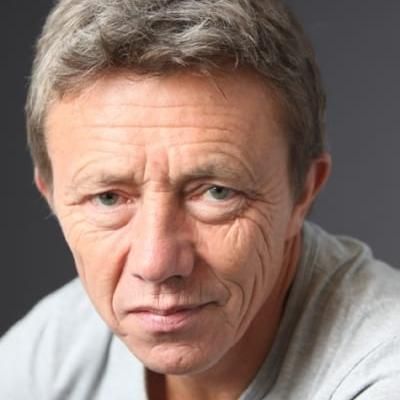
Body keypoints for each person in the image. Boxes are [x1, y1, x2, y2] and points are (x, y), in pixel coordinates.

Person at [1, 0, 399, 398]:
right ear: (51, 196)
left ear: (303, 193)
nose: (156, 264)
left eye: (216, 193)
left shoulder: (382, 371)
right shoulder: (57, 349)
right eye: (108, 198)